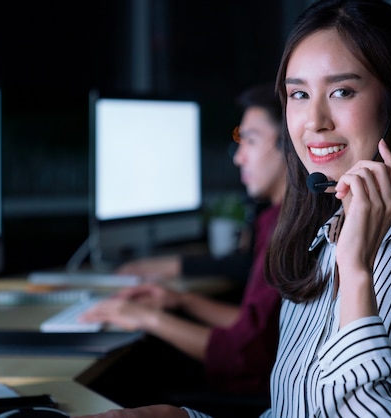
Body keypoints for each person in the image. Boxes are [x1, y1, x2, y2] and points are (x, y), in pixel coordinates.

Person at [75, 0, 391, 417]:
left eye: (342, 91)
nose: (314, 121)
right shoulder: (318, 245)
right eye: (298, 95)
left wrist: (356, 276)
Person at [79, 83, 286, 405]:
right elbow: (256, 327)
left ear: (287, 145)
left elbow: (244, 354)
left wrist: (146, 317)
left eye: (250, 140)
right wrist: (180, 300)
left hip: (260, 396)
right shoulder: (274, 220)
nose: (239, 157)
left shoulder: (287, 229)